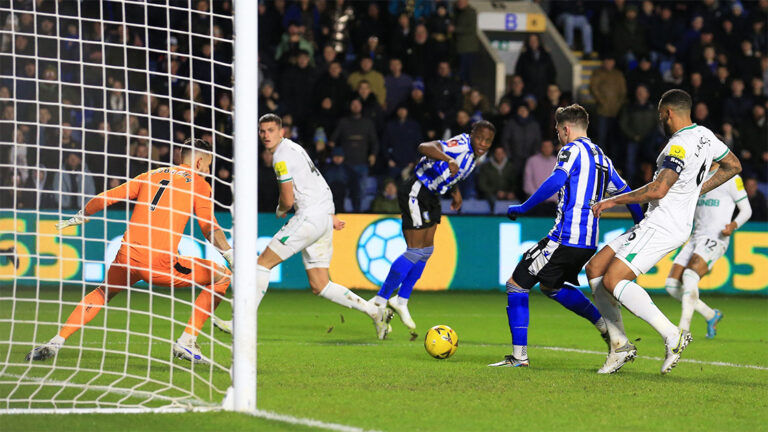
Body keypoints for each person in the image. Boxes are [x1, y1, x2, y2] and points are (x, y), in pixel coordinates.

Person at [26, 138, 235, 364]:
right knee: (223, 276)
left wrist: (83, 214)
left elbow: (108, 196)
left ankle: (56, 341)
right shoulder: (199, 183)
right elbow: (208, 227)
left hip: (127, 256)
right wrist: (231, 255)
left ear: (178, 157)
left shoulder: (151, 175)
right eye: (208, 166)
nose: (208, 171)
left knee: (102, 292)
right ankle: (187, 340)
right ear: (199, 162)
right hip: (158, 262)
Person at [587, 89, 742, 375]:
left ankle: (673, 335)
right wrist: (697, 191)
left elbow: (658, 189)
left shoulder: (678, 145)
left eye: (660, 114)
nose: (660, 119)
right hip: (667, 221)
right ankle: (619, 345)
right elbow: (733, 165)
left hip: (663, 222)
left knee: (613, 279)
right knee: (595, 269)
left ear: (668, 113)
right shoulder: (706, 136)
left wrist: (612, 201)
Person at [489, 104, 644, 368]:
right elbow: (628, 193)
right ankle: (607, 329)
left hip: (564, 238)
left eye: (558, 131)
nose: (558, 136)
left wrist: (524, 207)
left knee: (516, 285)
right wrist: (639, 225)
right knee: (551, 287)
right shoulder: (602, 158)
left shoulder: (571, 150)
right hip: (587, 244)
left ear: (566, 129)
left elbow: (555, 181)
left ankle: (519, 357)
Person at [214, 114, 391, 339]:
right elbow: (319, 182)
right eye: (262, 131)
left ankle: (241, 324)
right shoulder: (295, 149)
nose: (266, 135)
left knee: (262, 264)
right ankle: (375, 311)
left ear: (282, 132)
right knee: (320, 285)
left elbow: (287, 200)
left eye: (271, 130)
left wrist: (280, 209)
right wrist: (330, 216)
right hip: (322, 216)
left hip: (309, 218)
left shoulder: (280, 157)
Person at [370, 120, 496, 337]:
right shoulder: (462, 145)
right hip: (416, 191)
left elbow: (450, 174)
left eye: (488, 141)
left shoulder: (474, 156)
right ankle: (380, 301)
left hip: (432, 196)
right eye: (480, 138)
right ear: (472, 133)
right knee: (415, 250)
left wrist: (455, 191)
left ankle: (401, 300)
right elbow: (424, 147)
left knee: (426, 251)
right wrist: (447, 158)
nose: (483, 143)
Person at [665, 174, 752, 339]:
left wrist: (733, 226)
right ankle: (711, 315)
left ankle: (683, 331)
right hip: (695, 237)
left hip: (716, 237)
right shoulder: (697, 176)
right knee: (671, 285)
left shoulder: (731, 178)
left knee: (690, 275)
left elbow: (746, 210)